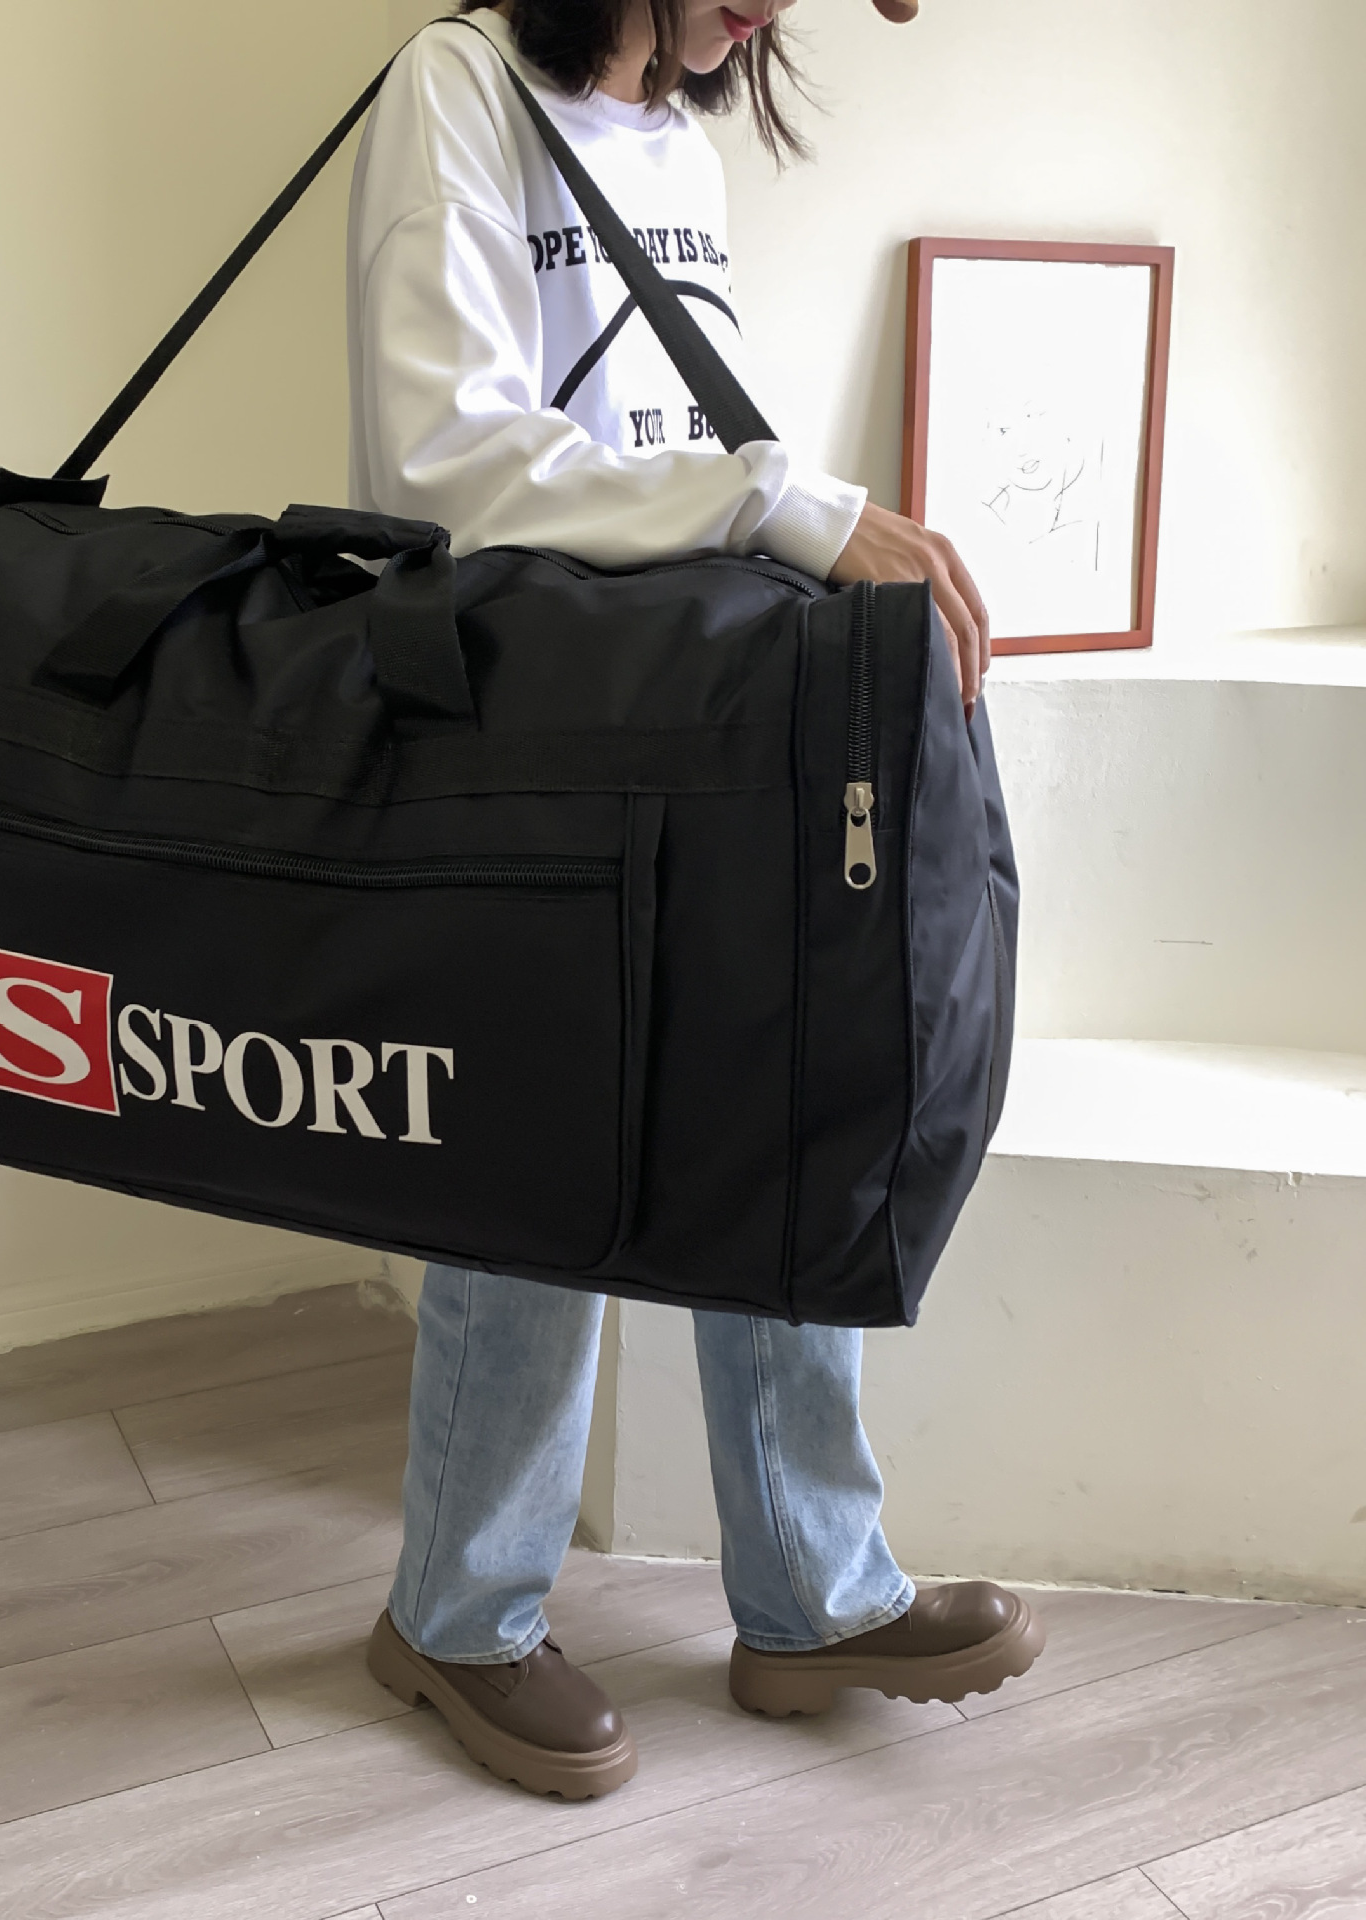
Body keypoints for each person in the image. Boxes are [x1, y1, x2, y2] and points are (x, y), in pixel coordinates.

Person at [347, 0, 1043, 1801]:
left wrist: (792, 553)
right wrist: (788, 508)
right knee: (531, 1146)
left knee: (778, 1100)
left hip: (694, 714)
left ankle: (812, 1594)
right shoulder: (458, 89)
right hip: (514, 719)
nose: (775, 7)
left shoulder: (681, 147)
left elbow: (672, 462)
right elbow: (444, 463)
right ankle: (458, 1614)